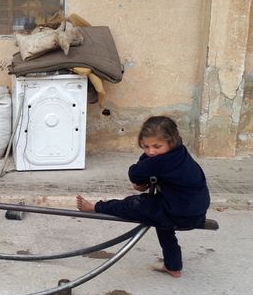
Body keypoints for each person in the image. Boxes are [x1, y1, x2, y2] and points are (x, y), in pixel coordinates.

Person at [76, 116, 210, 278]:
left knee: (134, 204)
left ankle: (96, 207)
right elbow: (145, 166)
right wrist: (146, 177)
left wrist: (142, 181)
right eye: (145, 146)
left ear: (171, 141)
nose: (151, 151)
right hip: (194, 211)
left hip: (179, 213)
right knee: (163, 227)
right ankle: (173, 266)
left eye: (157, 146)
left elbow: (135, 173)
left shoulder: (161, 161)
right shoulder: (179, 151)